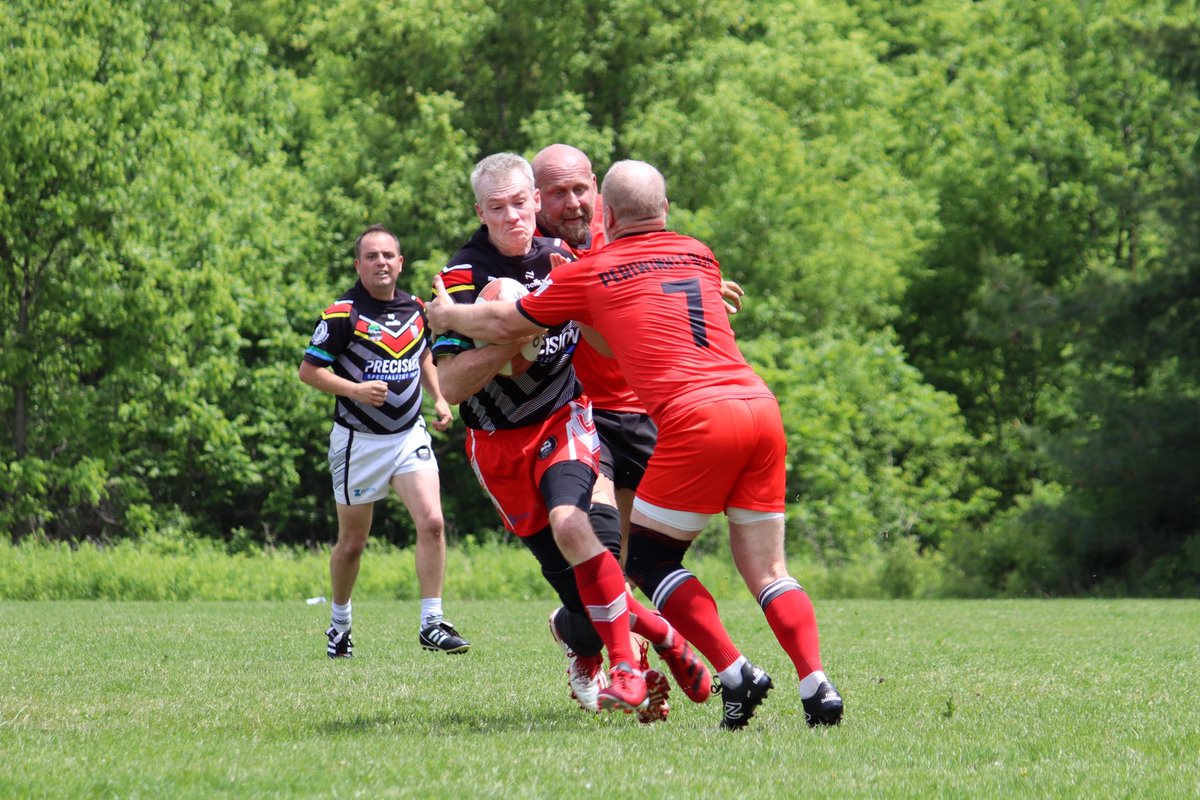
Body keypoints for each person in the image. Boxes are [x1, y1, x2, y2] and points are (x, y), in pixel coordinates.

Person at [426, 160, 845, 730]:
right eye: (554, 194)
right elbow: (457, 378)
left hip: (631, 419)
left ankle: (700, 669)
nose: (564, 205)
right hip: (748, 407)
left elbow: (518, 316)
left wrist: (466, 319)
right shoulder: (693, 251)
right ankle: (812, 685)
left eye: (578, 191)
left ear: (603, 204)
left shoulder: (584, 263)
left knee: (636, 558)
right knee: (651, 573)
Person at [431, 153, 711, 720]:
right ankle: (631, 637)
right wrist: (514, 333)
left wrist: (680, 305)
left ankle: (632, 664)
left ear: (536, 201)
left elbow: (605, 345)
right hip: (499, 445)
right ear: (479, 211)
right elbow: (455, 387)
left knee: (577, 526)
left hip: (567, 418)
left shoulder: (562, 257)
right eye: (497, 207)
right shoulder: (460, 279)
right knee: (585, 604)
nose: (511, 216)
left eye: (519, 203)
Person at [300, 224, 470, 659]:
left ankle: (432, 622)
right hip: (359, 442)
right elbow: (309, 372)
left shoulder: (416, 308)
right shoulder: (342, 314)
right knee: (353, 544)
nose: (380, 262)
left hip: (408, 434)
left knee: (432, 522)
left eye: (387, 255)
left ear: (400, 262)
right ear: (358, 265)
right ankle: (339, 625)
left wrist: (439, 398)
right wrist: (355, 390)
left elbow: (424, 355)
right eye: (371, 256)